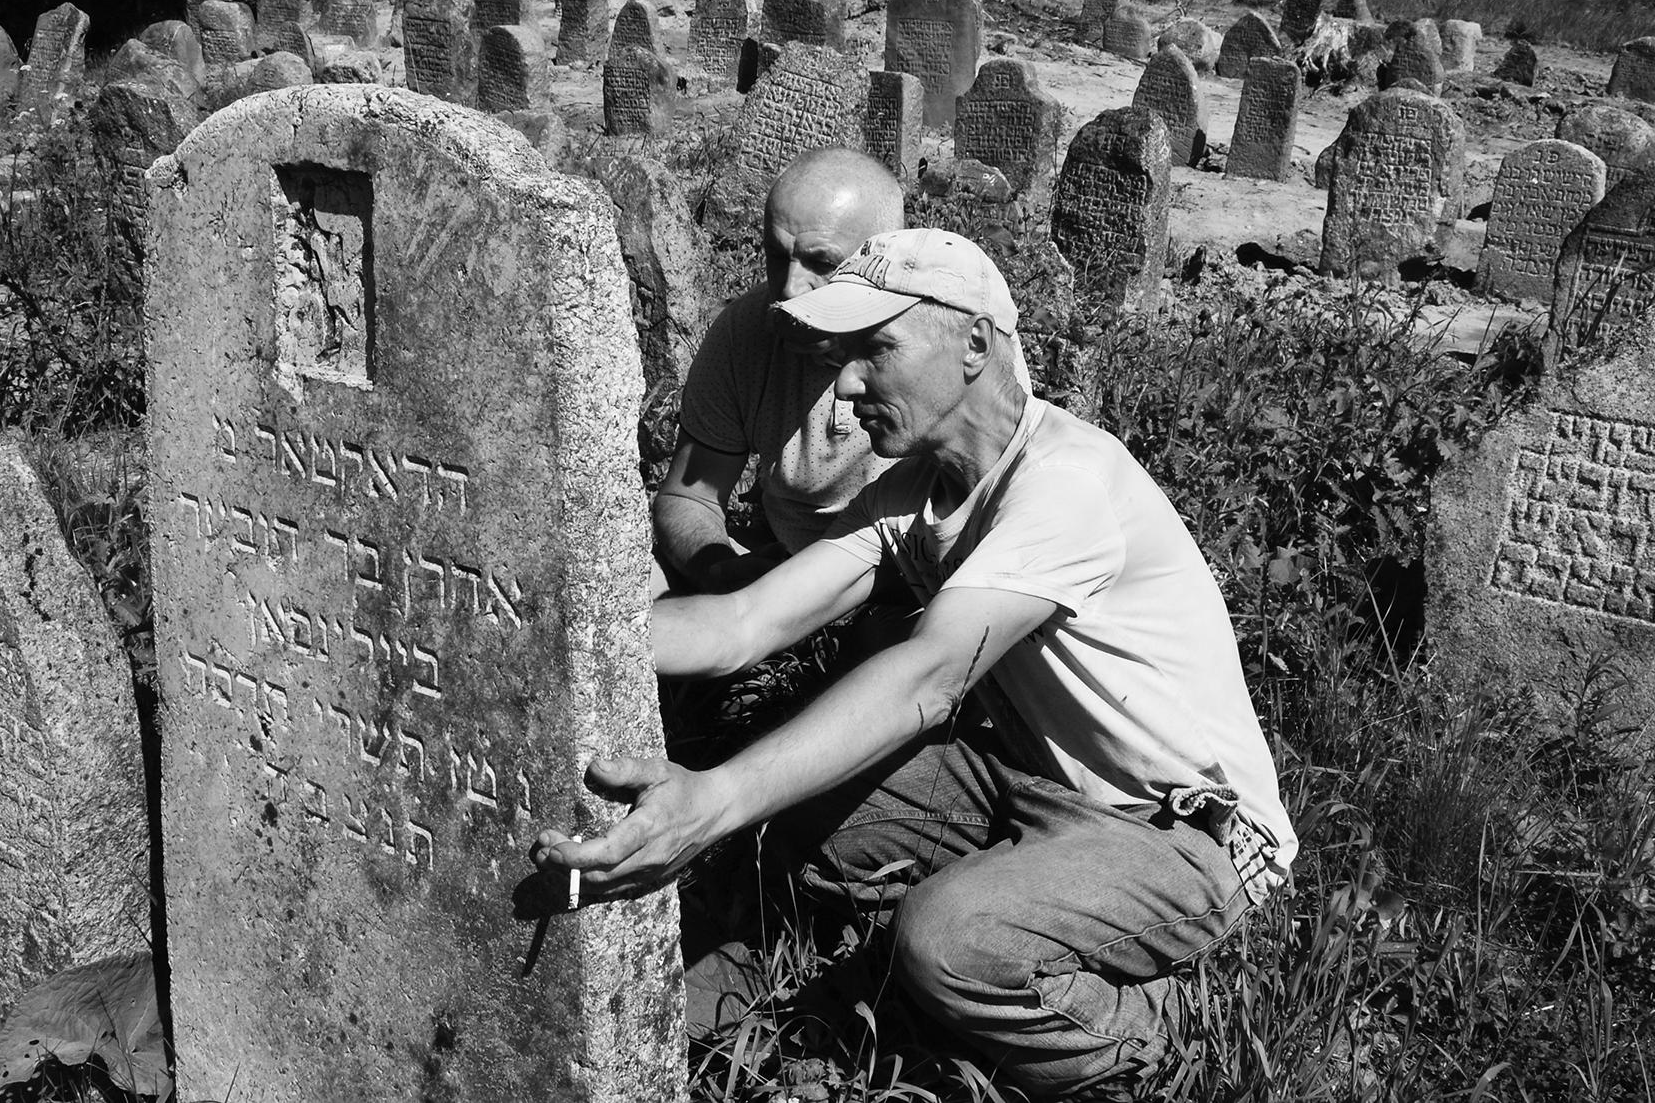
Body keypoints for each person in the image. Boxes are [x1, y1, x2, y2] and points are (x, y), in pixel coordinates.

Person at [537, 229, 1297, 1098]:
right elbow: (746, 620)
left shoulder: (1068, 484)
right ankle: (855, 970)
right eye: (841, 354)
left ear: (974, 343)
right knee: (801, 812)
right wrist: (545, 631)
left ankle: (1149, 1037)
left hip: (1182, 833)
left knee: (942, 943)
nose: (846, 384)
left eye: (876, 350)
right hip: (1025, 780)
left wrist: (709, 801)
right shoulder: (922, 485)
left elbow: (929, 681)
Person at [654, 147, 906, 593]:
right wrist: (722, 571)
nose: (790, 287)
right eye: (776, 253)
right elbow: (689, 495)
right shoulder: (746, 332)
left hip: (904, 583)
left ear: (883, 258)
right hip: (780, 568)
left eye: (822, 264)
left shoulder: (941, 340)